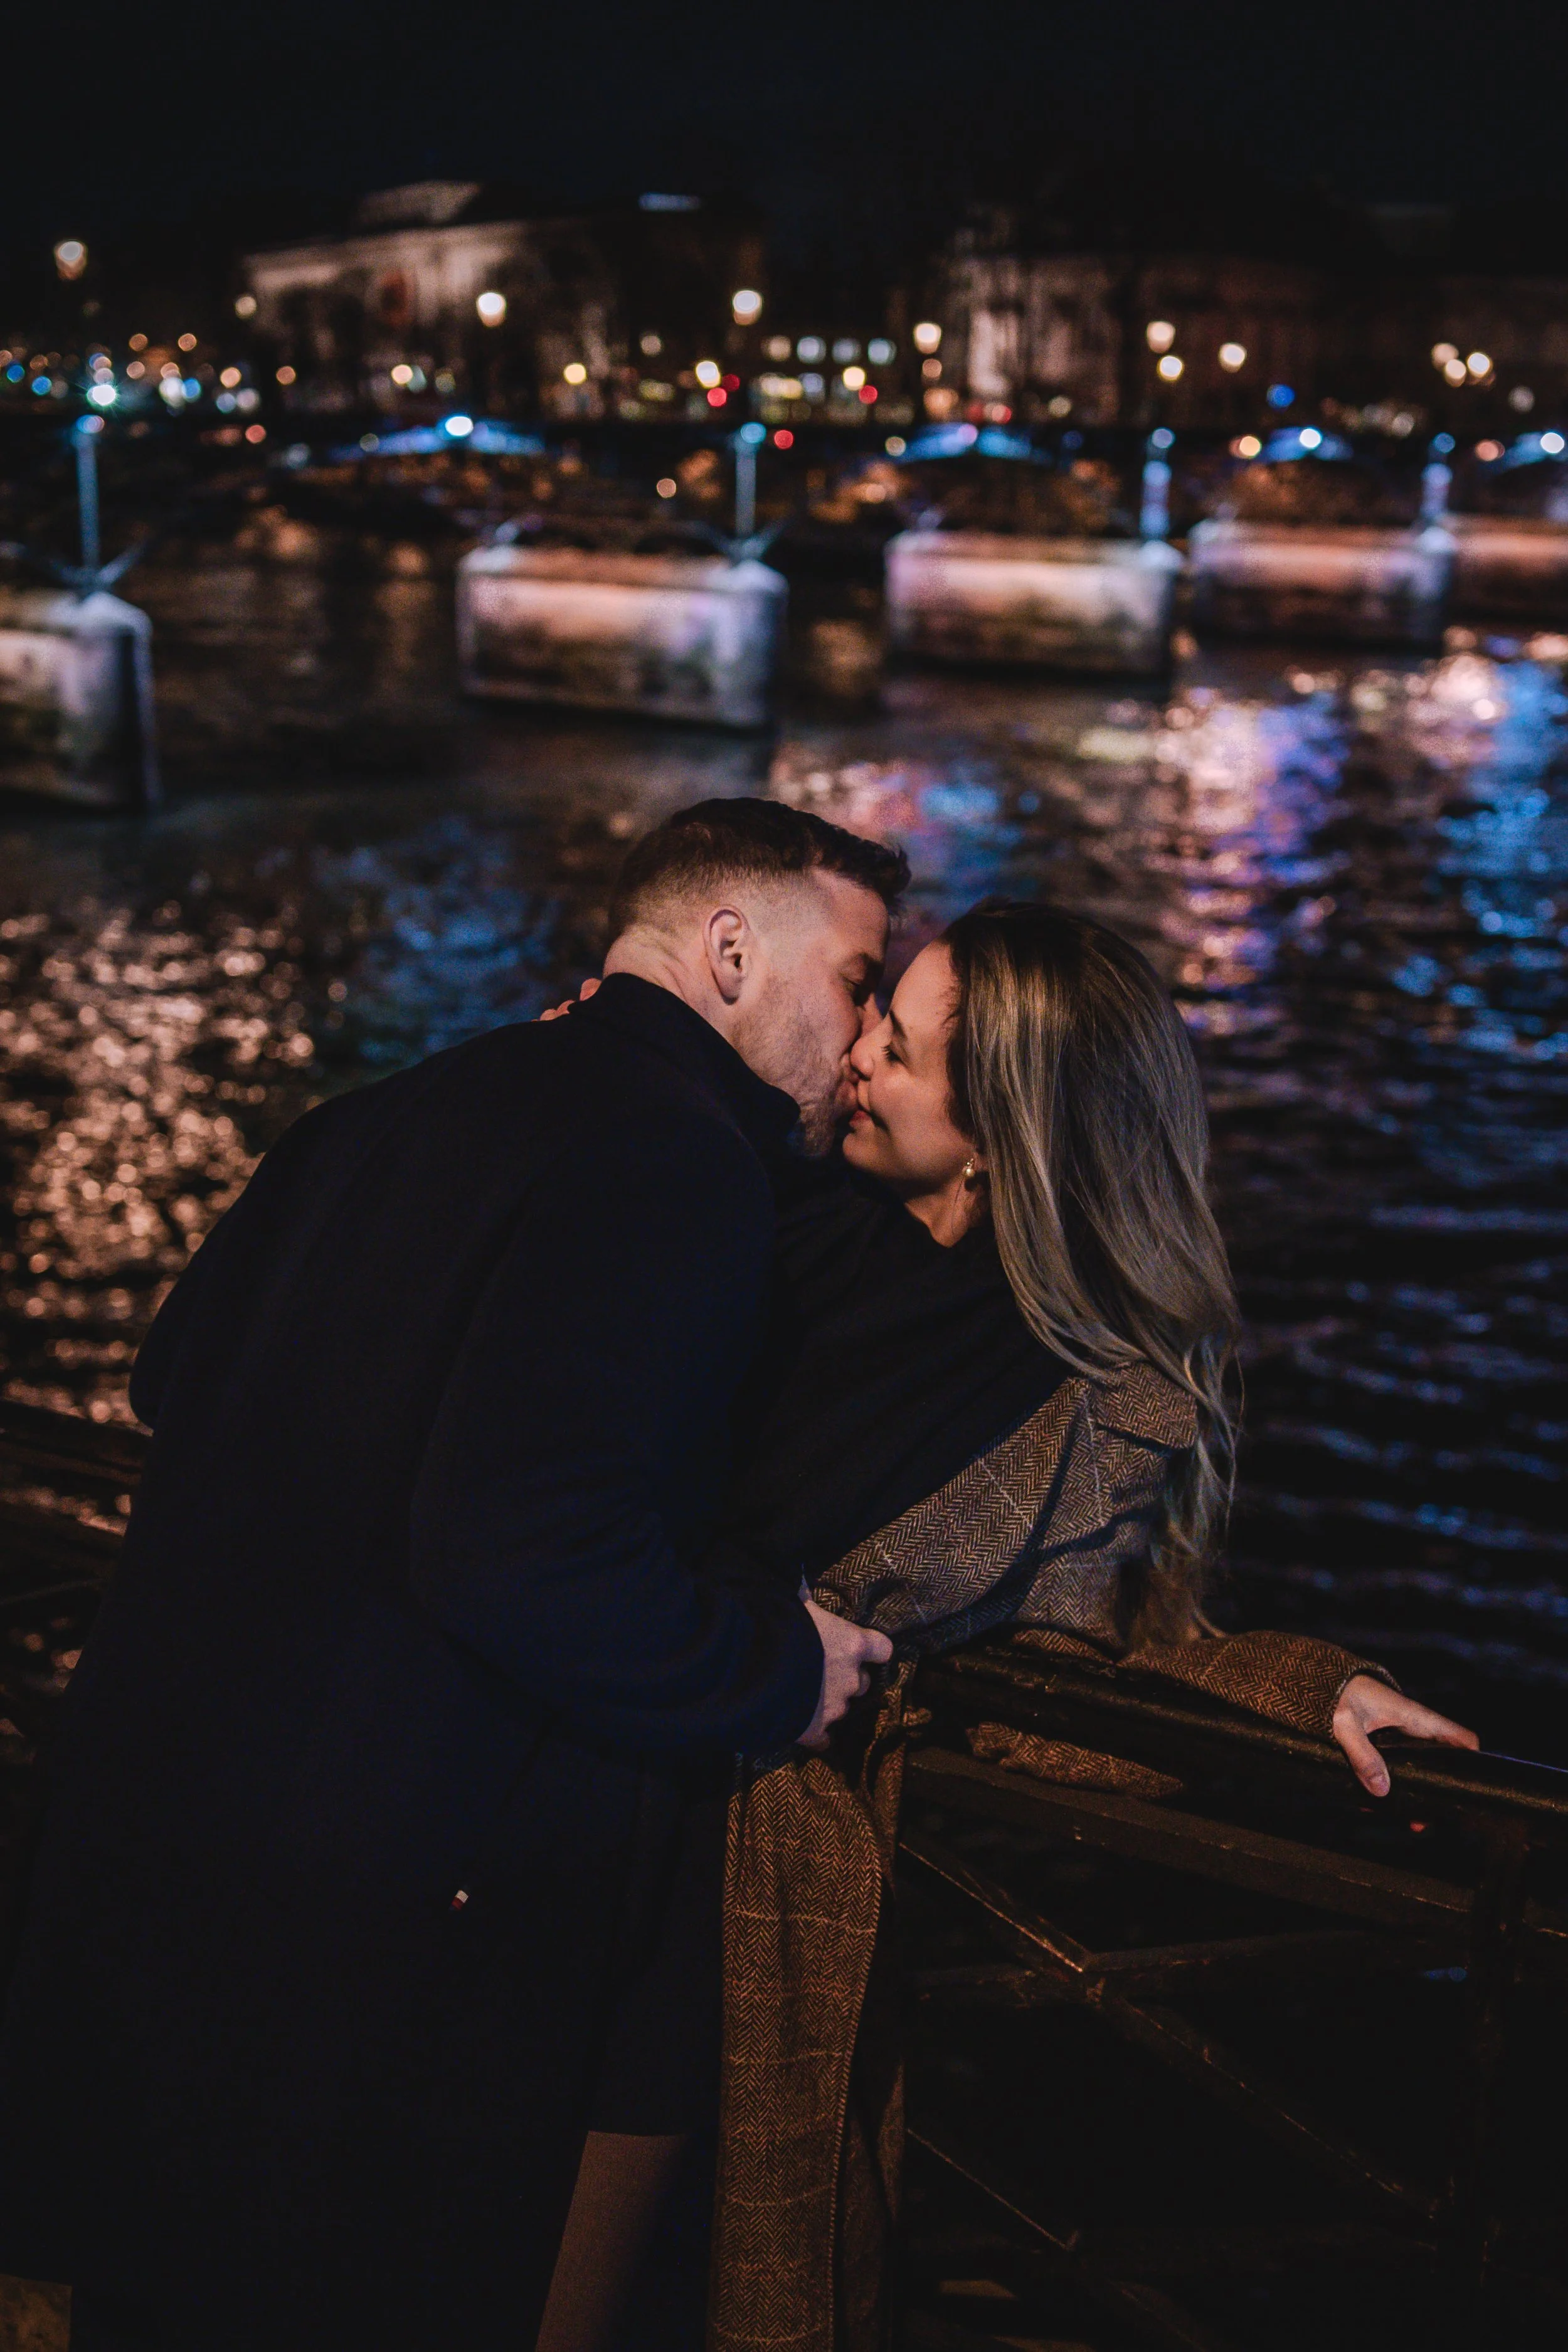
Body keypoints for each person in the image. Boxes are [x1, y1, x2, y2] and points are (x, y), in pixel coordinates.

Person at [0, 798, 904, 2352]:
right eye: (857, 982)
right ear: (733, 949)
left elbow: (175, 1375)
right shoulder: (675, 1164)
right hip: (377, 1924)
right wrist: (772, 1668)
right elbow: (526, 1547)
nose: (864, 1031)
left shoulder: (390, 1110)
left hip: (164, 1864)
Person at [699, 901, 1478, 2352]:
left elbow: (1039, 1683)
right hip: (561, 1798)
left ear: (1000, 1133)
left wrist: (1293, 1696)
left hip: (745, 1899)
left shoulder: (1089, 1394)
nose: (856, 1049)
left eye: (902, 1047)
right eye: (877, 1017)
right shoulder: (755, 1204)